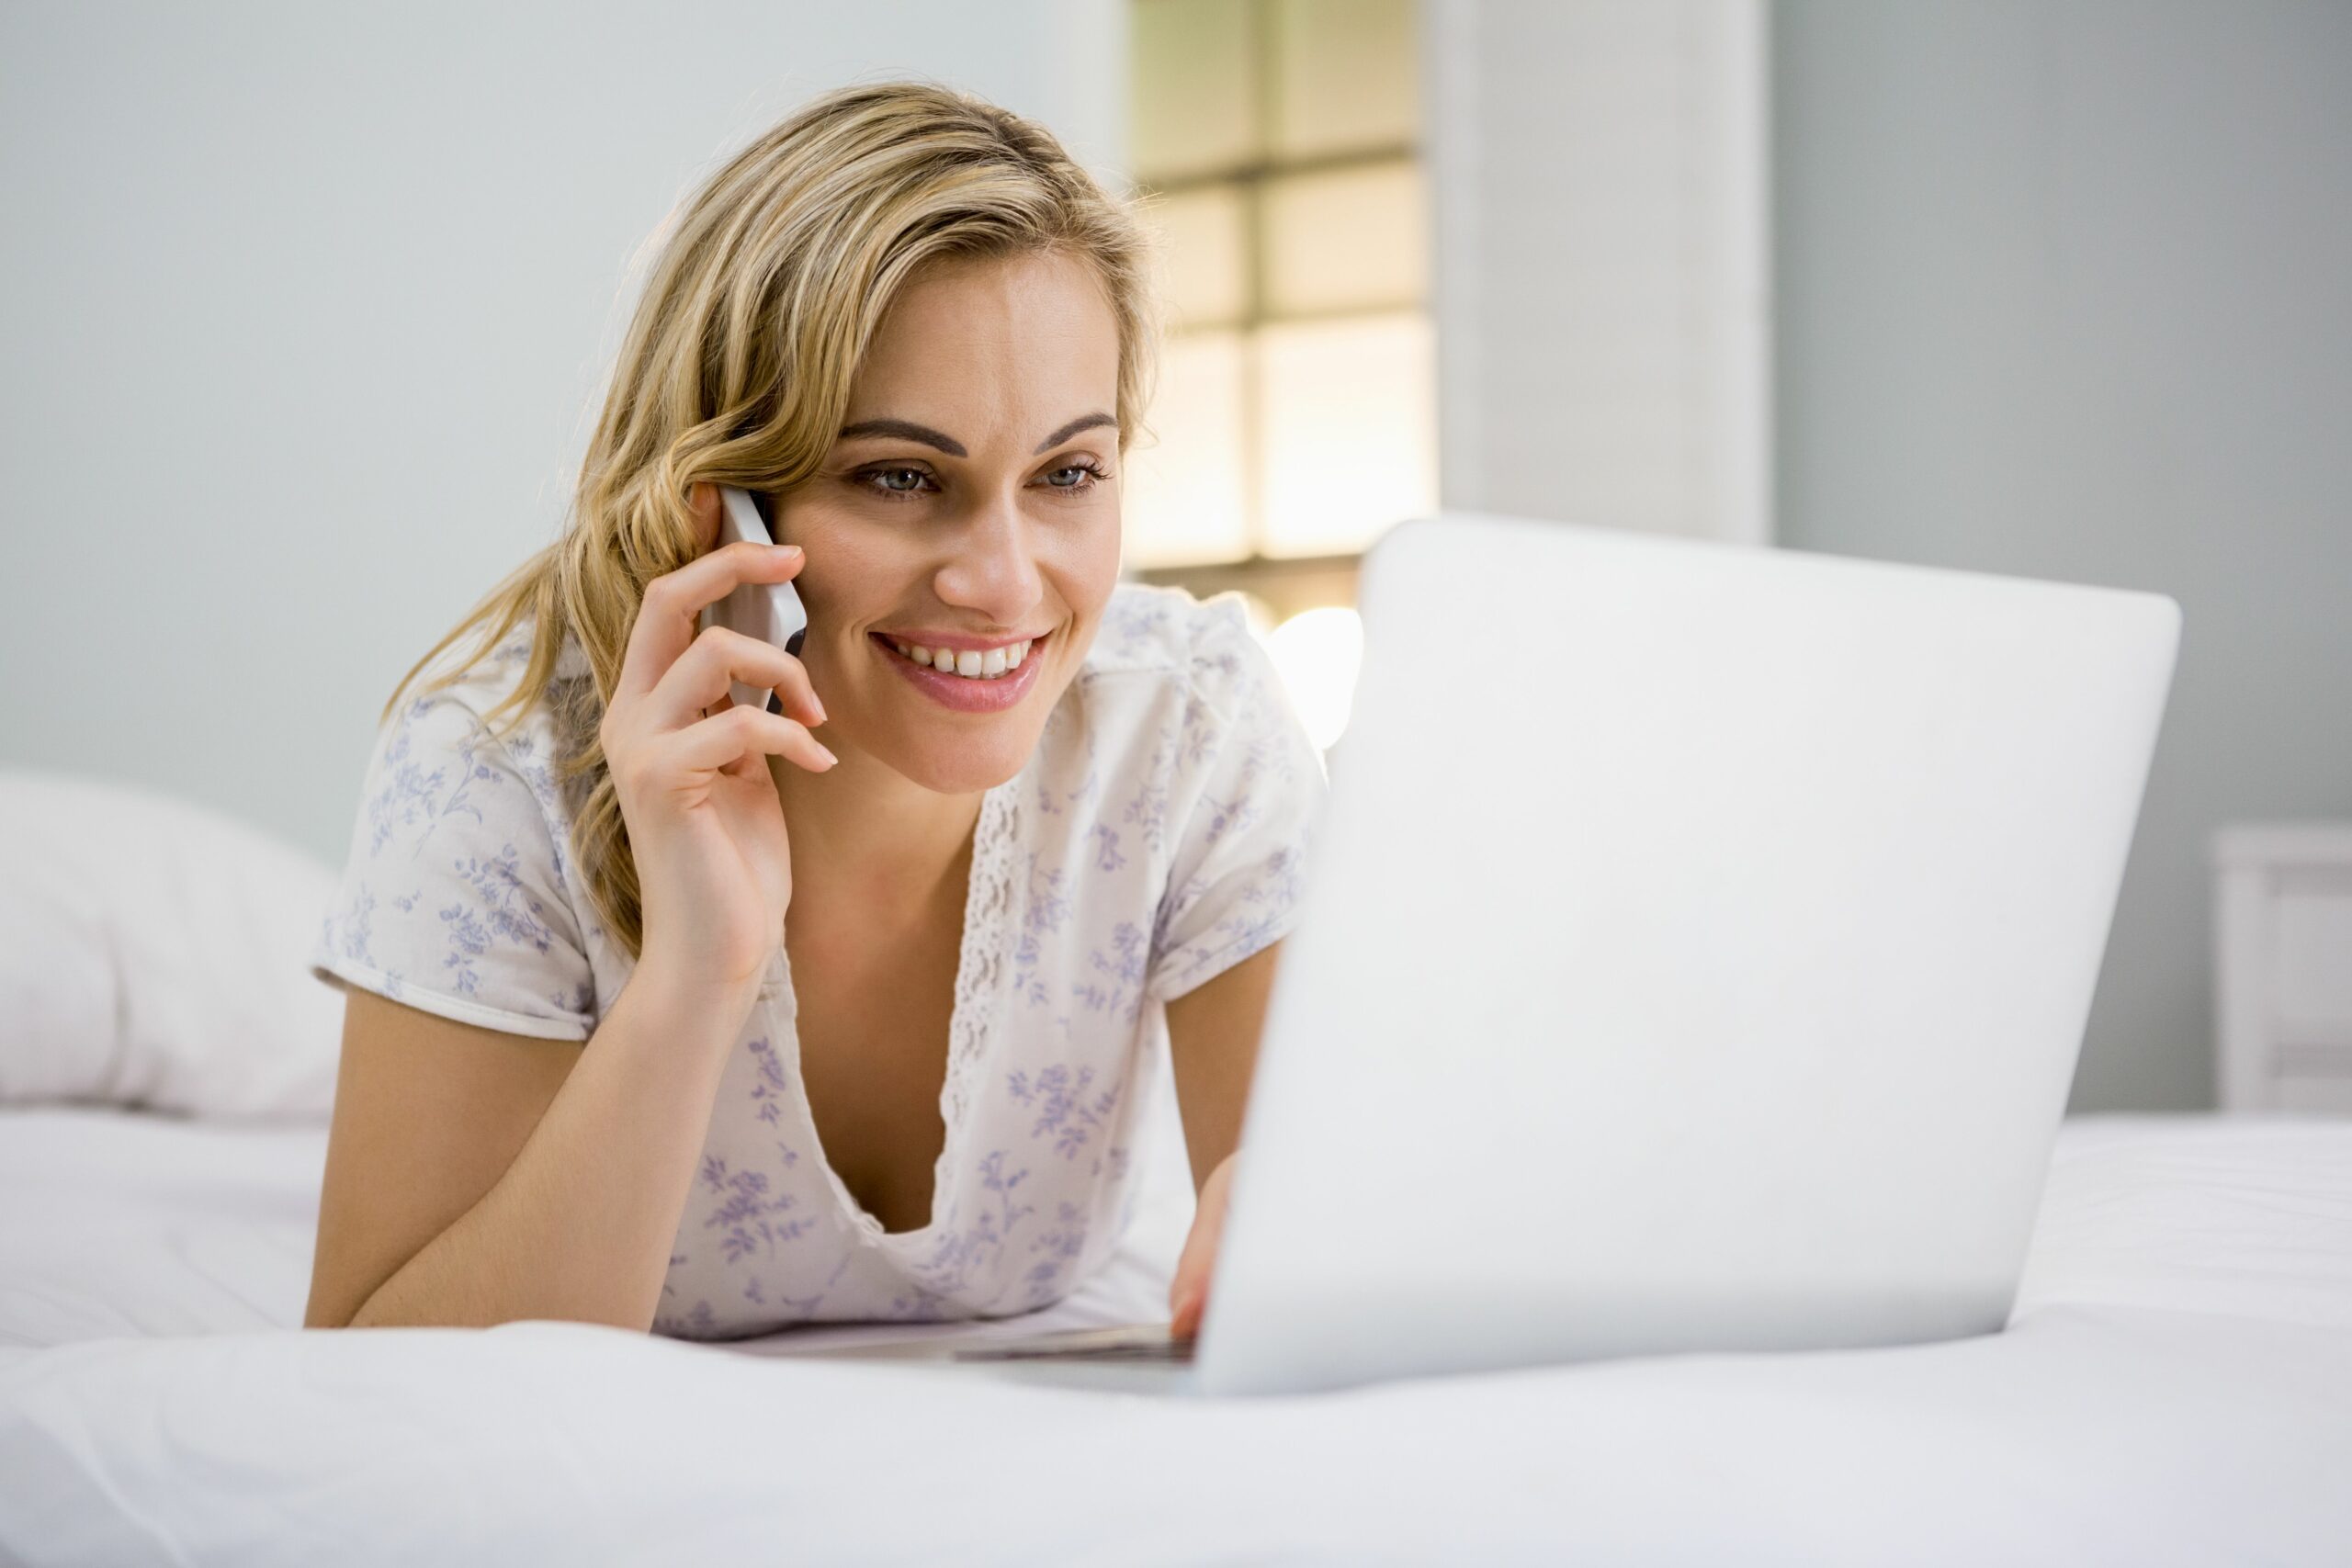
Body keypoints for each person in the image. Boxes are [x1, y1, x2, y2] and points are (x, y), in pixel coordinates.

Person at [301, 81, 1326, 1341]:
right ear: (715, 501)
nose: (1003, 582)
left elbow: (1312, 1238)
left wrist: (1310, 1240)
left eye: (1068, 473)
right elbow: (364, 1383)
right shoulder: (496, 766)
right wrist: (698, 972)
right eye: (899, 476)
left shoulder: (1183, 723)